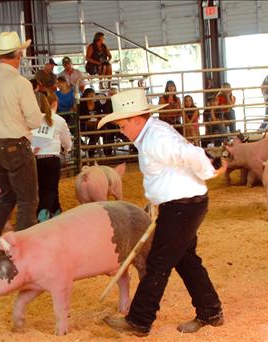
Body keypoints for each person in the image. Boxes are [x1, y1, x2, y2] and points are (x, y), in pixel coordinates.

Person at [97, 88, 226, 336]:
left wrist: (211, 168)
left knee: (158, 263)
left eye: (122, 124)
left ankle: (139, 320)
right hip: (181, 203)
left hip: (183, 205)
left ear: (136, 119)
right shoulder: (152, 134)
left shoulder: (156, 138)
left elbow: (190, 153)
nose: (121, 130)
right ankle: (210, 311)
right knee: (186, 260)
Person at [0, 31, 42, 249]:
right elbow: (34, 119)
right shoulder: (21, 83)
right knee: (28, 200)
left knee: (7, 195)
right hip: (15, 146)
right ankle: (22, 250)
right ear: (19, 54)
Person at [31, 92, 72, 222]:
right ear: (54, 103)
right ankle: (42, 213)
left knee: (44, 187)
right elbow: (67, 141)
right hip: (52, 158)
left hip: (35, 159)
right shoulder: (59, 120)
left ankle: (56, 211)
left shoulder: (32, 120)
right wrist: (67, 149)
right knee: (51, 188)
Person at [79, 88, 103, 159]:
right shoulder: (82, 105)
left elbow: (100, 116)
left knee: (97, 131)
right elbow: (81, 118)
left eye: (93, 94)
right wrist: (88, 122)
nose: (92, 96)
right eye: (90, 95)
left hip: (96, 125)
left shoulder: (97, 104)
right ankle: (89, 151)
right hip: (85, 125)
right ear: (86, 96)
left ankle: (90, 152)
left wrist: (98, 121)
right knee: (96, 131)